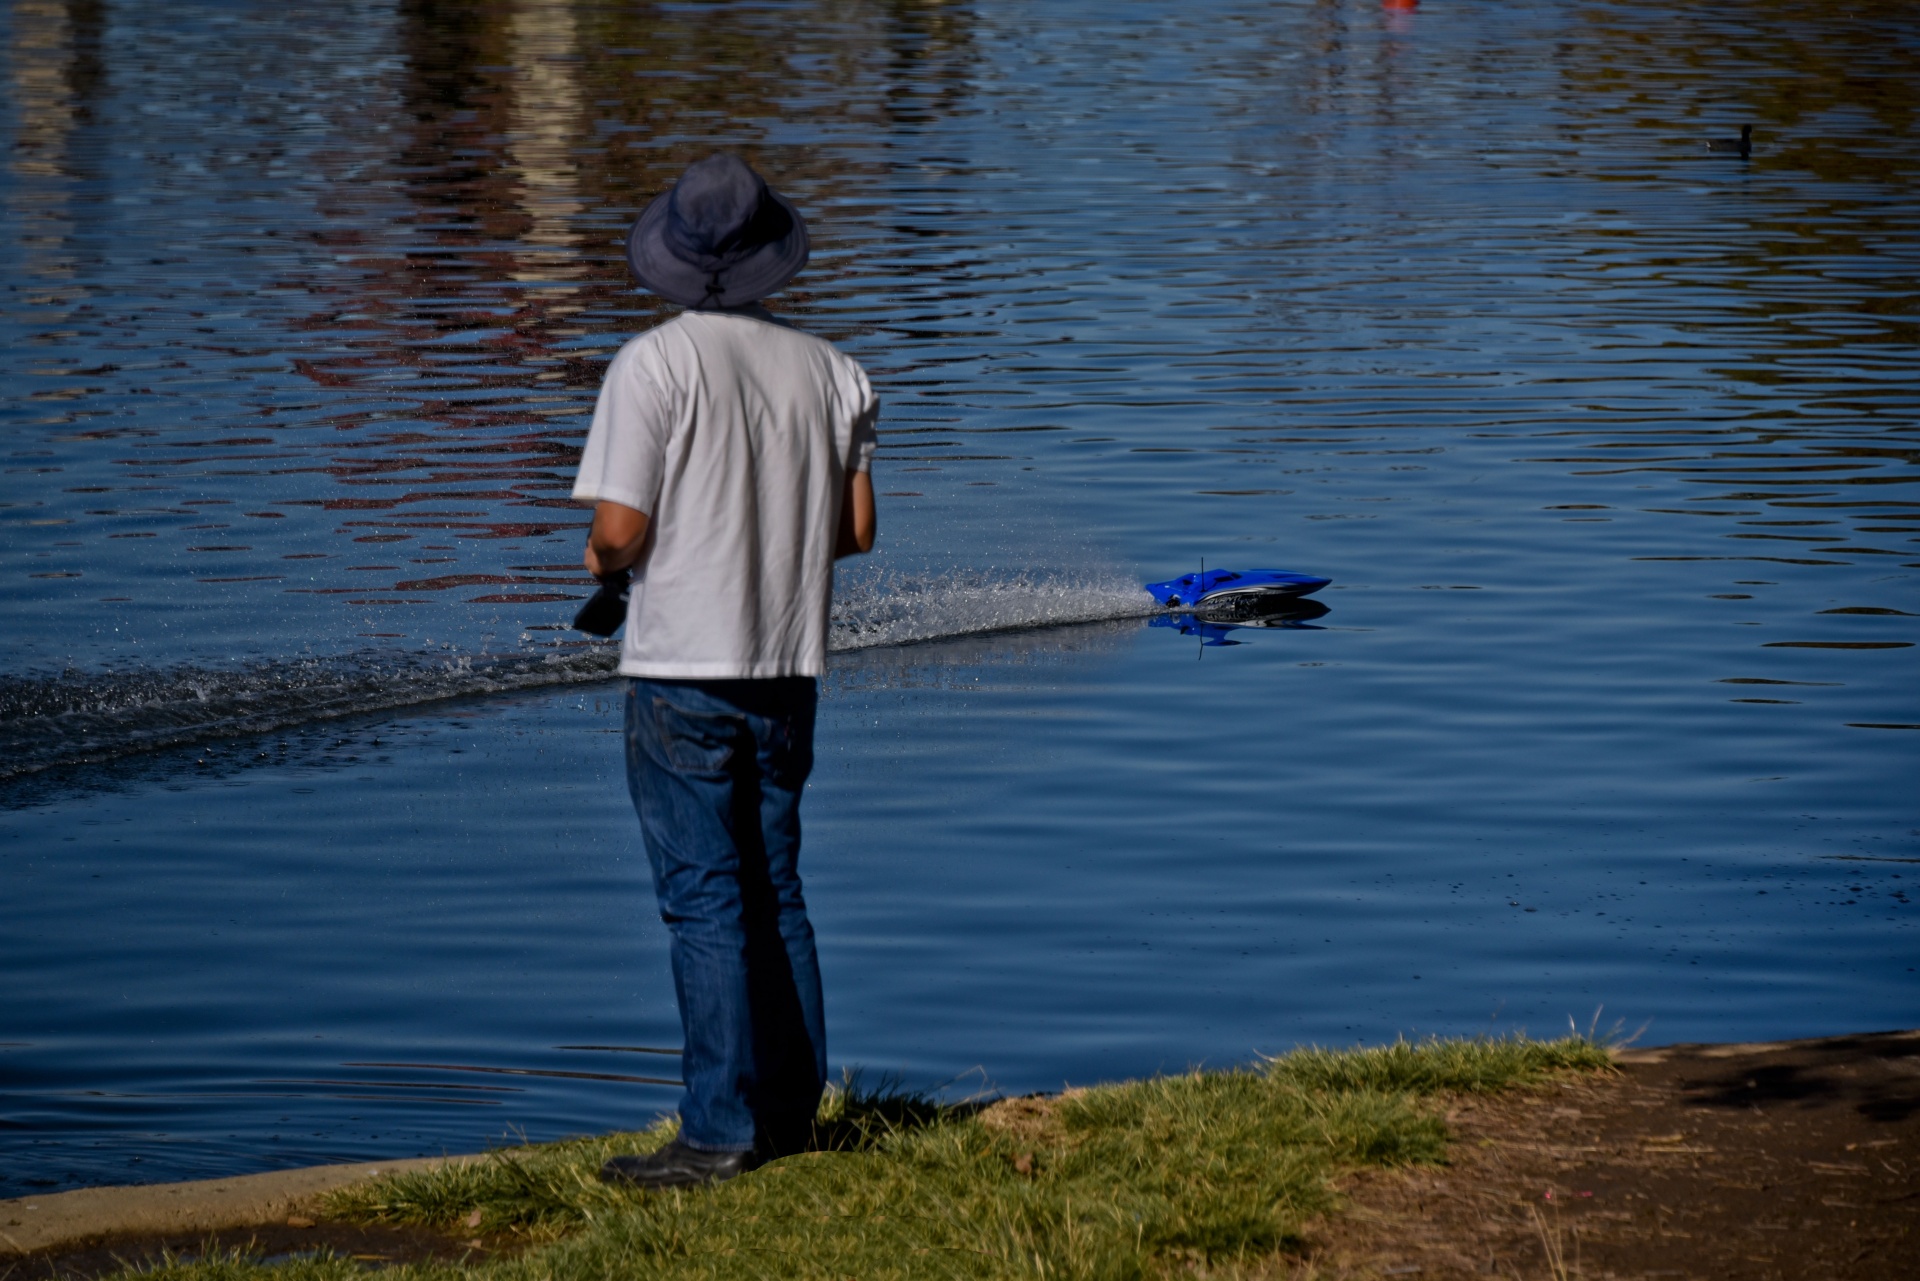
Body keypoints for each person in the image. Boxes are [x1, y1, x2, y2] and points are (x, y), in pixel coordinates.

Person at [571, 153, 878, 1188]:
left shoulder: (650, 368)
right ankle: (790, 1116)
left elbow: (621, 530)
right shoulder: (835, 372)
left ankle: (715, 1133)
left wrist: (606, 562)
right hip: (788, 667)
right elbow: (855, 532)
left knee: (702, 898)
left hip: (680, 672)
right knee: (775, 887)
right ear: (764, 259)